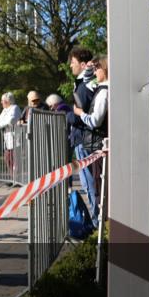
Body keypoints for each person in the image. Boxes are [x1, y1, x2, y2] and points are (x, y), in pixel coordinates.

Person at [74, 55, 108, 226]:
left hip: (98, 144)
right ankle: (100, 224)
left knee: (98, 189)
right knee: (97, 188)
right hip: (96, 144)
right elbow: (85, 80)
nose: (94, 72)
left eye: (97, 68)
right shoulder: (100, 87)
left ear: (105, 69)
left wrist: (80, 114)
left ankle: (100, 225)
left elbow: (95, 121)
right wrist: (88, 68)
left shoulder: (104, 92)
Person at [67, 47, 99, 224]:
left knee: (89, 183)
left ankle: (96, 222)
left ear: (82, 64)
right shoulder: (83, 84)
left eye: (73, 62)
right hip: (82, 138)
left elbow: (82, 113)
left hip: (84, 140)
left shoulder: (85, 86)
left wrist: (70, 116)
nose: (71, 65)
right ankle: (97, 220)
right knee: (89, 183)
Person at [0, 92, 22, 174]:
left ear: (8, 101)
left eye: (2, 100)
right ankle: (13, 178)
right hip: (7, 139)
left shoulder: (15, 108)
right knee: (7, 158)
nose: (1, 102)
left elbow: (10, 121)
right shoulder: (5, 110)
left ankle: (16, 178)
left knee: (15, 160)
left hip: (15, 138)